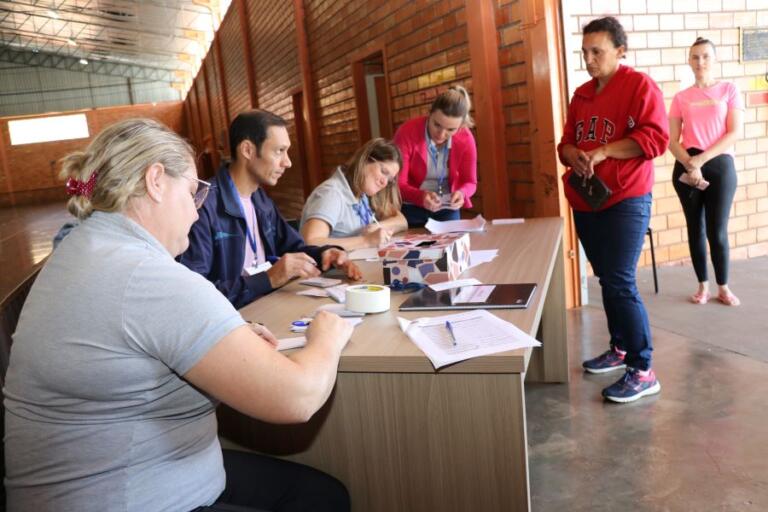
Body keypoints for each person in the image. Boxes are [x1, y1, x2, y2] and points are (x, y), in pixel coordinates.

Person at [3, 118, 353, 511]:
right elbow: (297, 398)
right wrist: (327, 334)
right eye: (191, 192)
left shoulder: (84, 248)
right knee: (324, 500)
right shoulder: (144, 276)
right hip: (126, 497)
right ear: (156, 181)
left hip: (113, 480)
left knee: (318, 493)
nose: (195, 211)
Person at [557, 16, 669, 403]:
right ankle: (619, 348)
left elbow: (654, 138)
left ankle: (642, 369)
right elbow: (565, 144)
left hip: (626, 199)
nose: (589, 59)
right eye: (585, 51)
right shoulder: (582, 94)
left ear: (620, 51)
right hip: (588, 200)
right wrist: (575, 154)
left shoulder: (638, 85)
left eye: (597, 52)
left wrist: (604, 150)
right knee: (606, 277)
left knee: (620, 280)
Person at [179, 110, 361, 309]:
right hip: (230, 322)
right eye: (279, 151)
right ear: (247, 150)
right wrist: (268, 279)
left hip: (266, 308)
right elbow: (194, 296)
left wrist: (324, 254)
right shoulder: (204, 207)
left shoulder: (260, 200)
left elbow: (293, 247)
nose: (288, 162)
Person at [668, 37, 744, 306]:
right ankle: (703, 286)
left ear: (714, 59)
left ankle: (723, 287)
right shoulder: (681, 98)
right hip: (687, 166)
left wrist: (701, 160)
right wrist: (690, 163)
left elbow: (734, 132)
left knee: (717, 230)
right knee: (695, 228)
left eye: (705, 56)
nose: (700, 62)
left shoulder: (728, 90)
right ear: (689, 61)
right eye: (695, 57)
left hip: (719, 166)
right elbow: (672, 140)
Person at [300, 138, 407, 250]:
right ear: (365, 160)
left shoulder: (363, 194)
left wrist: (377, 227)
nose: (384, 182)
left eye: (390, 180)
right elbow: (310, 242)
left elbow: (402, 221)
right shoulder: (331, 194)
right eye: (384, 172)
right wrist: (367, 241)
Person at [393, 85, 477, 228]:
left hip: (447, 208)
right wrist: (421, 197)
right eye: (437, 125)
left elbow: (470, 182)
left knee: (450, 248)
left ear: (461, 126)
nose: (441, 134)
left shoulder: (466, 137)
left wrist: (462, 193)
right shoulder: (406, 133)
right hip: (410, 206)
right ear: (429, 114)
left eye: (451, 129)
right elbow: (397, 184)